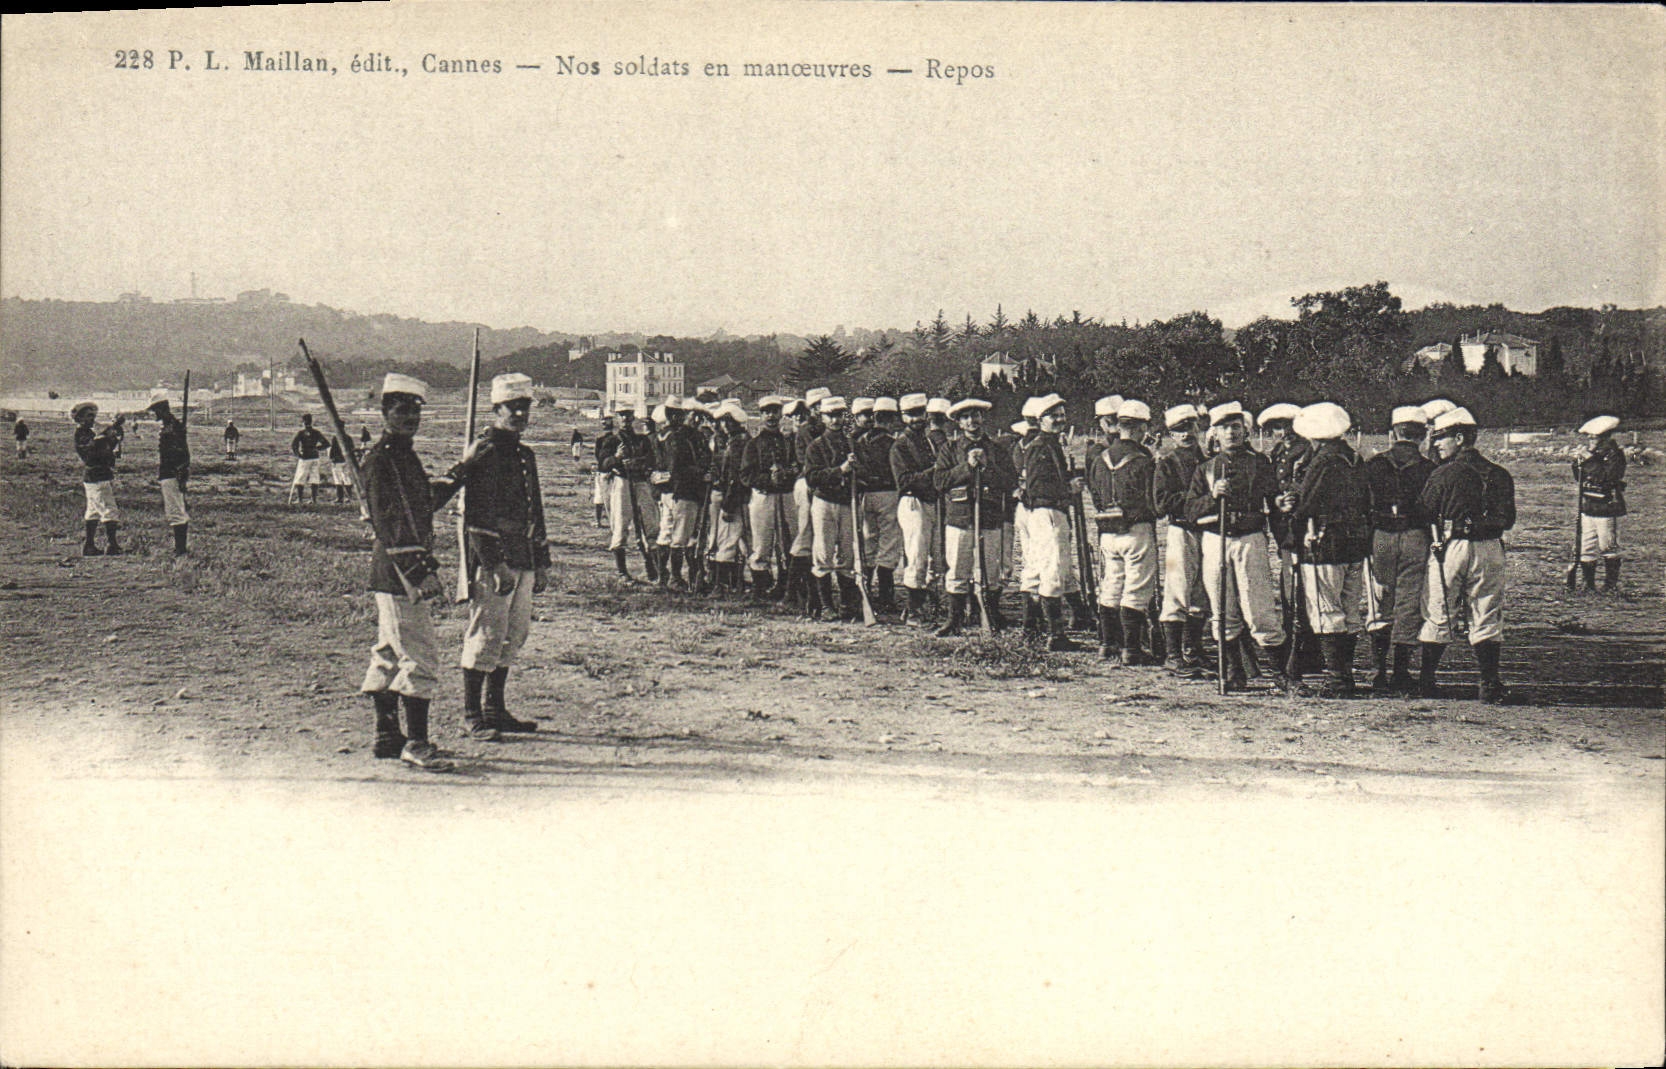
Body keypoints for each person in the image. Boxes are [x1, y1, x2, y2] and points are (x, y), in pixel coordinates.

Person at [358, 373, 479, 772]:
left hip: (393, 572)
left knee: (390, 652)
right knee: (420, 654)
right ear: (384, 412)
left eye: (415, 410)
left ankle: (386, 736)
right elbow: (391, 524)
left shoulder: (403, 456)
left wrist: (459, 473)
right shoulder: (379, 461)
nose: (410, 416)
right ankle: (417, 742)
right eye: (401, 409)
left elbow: (422, 504)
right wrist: (420, 571)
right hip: (398, 571)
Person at [456, 373, 550, 740]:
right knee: (486, 633)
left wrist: (541, 561)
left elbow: (535, 512)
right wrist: (493, 564)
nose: (521, 414)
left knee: (514, 633)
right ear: (496, 409)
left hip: (523, 554)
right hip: (497, 558)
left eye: (525, 407)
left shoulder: (525, 455)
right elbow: (477, 516)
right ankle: (472, 713)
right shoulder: (486, 451)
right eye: (514, 408)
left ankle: (496, 709)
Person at [1183, 401, 1290, 691]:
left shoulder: (1260, 463)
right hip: (1216, 541)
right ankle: (1233, 672)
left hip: (1249, 539)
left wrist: (1279, 507)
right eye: (1224, 427)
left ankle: (1282, 675)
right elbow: (1190, 510)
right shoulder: (1205, 469)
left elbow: (1273, 500)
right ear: (1214, 433)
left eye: (1236, 427)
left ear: (1245, 430)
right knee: (1222, 610)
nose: (1231, 432)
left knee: (1259, 611)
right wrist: (1212, 497)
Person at [1418, 406, 1516, 703]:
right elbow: (1508, 519)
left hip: (1452, 547)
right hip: (1490, 547)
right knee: (1486, 612)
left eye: (1442, 438)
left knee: (1439, 610)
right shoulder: (1500, 474)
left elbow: (1424, 510)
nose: (1436, 444)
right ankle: (1489, 685)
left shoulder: (1444, 473)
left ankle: (1426, 682)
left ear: (1459, 438)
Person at [1284, 402, 1373, 698]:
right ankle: (1344, 674)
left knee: (1325, 609)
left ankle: (1336, 677)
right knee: (1349, 609)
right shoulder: (1354, 457)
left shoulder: (1322, 461)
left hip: (1325, 541)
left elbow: (1308, 502)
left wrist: (1292, 519)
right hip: (1355, 541)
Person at [1363, 406, 1436, 695]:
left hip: (1381, 534)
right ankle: (1401, 671)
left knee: (1379, 599)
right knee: (1408, 602)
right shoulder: (1429, 467)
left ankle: (1378, 670)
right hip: (1415, 535)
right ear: (1422, 435)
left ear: (1393, 432)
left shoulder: (1374, 464)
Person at [932, 398, 1017, 635]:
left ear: (983, 418)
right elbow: (939, 481)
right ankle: (955, 620)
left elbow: (1010, 480)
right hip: (960, 519)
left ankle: (990, 615)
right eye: (966, 417)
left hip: (990, 518)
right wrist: (966, 467)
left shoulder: (997, 450)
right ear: (958, 423)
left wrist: (987, 466)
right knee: (958, 569)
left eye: (976, 415)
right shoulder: (949, 450)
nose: (972, 421)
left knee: (991, 570)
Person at [1088, 399, 1159, 664]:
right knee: (1136, 589)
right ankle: (1132, 649)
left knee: (1111, 586)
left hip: (1108, 530)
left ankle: (1107, 645)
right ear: (1140, 428)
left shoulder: (1099, 459)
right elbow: (1153, 501)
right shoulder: (1143, 460)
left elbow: (1095, 494)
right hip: (1136, 529)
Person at [1019, 394, 1087, 652]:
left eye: (1061, 414)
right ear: (1040, 420)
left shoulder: (1052, 444)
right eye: (1053, 416)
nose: (1059, 420)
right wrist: (1067, 487)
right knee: (1053, 570)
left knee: (1036, 570)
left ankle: (1030, 629)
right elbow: (1036, 487)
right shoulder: (1039, 446)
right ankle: (1056, 635)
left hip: (1045, 513)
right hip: (1047, 513)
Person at [1153, 404, 1210, 676]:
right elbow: (1161, 503)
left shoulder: (1210, 460)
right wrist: (1195, 500)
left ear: (1198, 428)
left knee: (1202, 592)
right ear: (1170, 435)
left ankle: (1194, 649)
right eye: (1179, 430)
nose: (1186, 434)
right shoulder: (1168, 463)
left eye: (1190, 427)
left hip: (1209, 531)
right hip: (1181, 530)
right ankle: (1173, 654)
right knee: (1177, 589)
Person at [804, 395, 861, 621]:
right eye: (831, 416)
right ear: (823, 418)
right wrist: (841, 470)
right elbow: (812, 477)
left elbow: (862, 471)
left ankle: (848, 604)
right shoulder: (816, 446)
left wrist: (858, 470)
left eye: (839, 415)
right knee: (824, 553)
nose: (835, 420)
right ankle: (826, 605)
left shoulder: (851, 443)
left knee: (847, 555)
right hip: (825, 502)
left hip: (847, 503)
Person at [890, 393, 941, 626]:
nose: (916, 419)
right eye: (911, 415)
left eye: (920, 413)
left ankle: (929, 603)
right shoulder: (900, 446)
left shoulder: (931, 441)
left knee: (936, 557)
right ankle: (913, 610)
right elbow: (905, 481)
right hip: (912, 502)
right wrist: (935, 471)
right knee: (917, 553)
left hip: (932, 501)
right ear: (903, 417)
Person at [741, 396, 797, 602]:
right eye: (767, 412)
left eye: (775, 411)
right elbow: (746, 475)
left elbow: (797, 466)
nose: (771, 416)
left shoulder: (788, 442)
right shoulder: (753, 444)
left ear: (781, 414)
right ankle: (760, 588)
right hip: (763, 497)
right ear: (761, 415)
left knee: (787, 542)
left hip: (786, 496)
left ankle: (784, 586)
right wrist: (768, 479)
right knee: (761, 543)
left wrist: (787, 473)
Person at [853, 397, 904, 614]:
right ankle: (885, 595)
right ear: (892, 419)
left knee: (869, 542)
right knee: (889, 543)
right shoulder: (894, 443)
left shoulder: (860, 441)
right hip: (888, 493)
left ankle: (865, 590)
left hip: (866, 494)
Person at [601, 406, 658, 579]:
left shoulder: (642, 440)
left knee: (650, 523)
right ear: (617, 418)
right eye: (622, 415)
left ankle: (653, 566)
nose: (625, 419)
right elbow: (603, 464)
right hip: (622, 483)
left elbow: (652, 459)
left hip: (640, 482)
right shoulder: (611, 441)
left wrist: (638, 462)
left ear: (633, 417)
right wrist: (617, 458)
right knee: (620, 523)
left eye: (628, 415)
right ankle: (622, 572)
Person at [1574, 414, 1627, 592]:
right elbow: (1579, 478)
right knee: (1586, 546)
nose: (1590, 440)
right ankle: (1588, 584)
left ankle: (1610, 585)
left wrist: (1588, 460)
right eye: (1589, 437)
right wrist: (1578, 462)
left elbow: (1606, 478)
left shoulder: (1614, 455)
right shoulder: (1593, 454)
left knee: (1608, 546)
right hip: (1588, 505)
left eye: (1594, 437)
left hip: (1606, 507)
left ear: (1605, 437)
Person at [708, 402, 752, 595]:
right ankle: (732, 582)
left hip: (735, 496)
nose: (725, 425)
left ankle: (722, 584)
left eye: (729, 421)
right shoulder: (728, 441)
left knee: (728, 538)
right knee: (733, 539)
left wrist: (729, 502)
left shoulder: (738, 443)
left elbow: (734, 475)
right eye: (723, 421)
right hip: (730, 494)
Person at [71, 401, 126, 555]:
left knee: (93, 511)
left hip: (95, 475)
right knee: (109, 509)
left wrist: (113, 433)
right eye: (89, 416)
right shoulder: (83, 435)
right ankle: (112, 545)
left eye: (93, 416)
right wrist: (110, 432)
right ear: (80, 418)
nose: (92, 419)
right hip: (97, 475)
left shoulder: (86, 434)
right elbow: (93, 450)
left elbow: (104, 445)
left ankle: (89, 545)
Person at [144, 389, 192, 557]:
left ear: (162, 409)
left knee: (176, 511)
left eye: (155, 410)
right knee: (176, 510)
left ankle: (181, 550)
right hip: (170, 473)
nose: (154, 414)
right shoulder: (172, 426)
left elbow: (181, 453)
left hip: (171, 473)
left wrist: (181, 472)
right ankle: (180, 549)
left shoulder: (172, 428)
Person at [288, 413, 331, 504]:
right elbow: (326, 444)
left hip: (305, 458)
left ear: (303, 422)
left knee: (300, 478)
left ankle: (300, 499)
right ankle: (313, 499)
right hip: (315, 457)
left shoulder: (301, 433)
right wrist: (317, 448)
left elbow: (293, 445)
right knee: (314, 477)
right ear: (311, 422)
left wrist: (298, 454)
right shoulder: (316, 432)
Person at [592, 414, 619, 529]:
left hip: (609, 472)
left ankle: (613, 522)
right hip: (602, 471)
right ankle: (599, 521)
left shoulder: (615, 439)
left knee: (609, 499)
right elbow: (597, 455)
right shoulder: (600, 440)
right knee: (599, 498)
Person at [327, 434, 351, 505]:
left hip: (338, 461)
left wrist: (332, 458)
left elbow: (333, 448)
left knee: (338, 479)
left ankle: (340, 498)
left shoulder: (336, 437)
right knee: (347, 479)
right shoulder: (348, 437)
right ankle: (348, 497)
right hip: (346, 460)